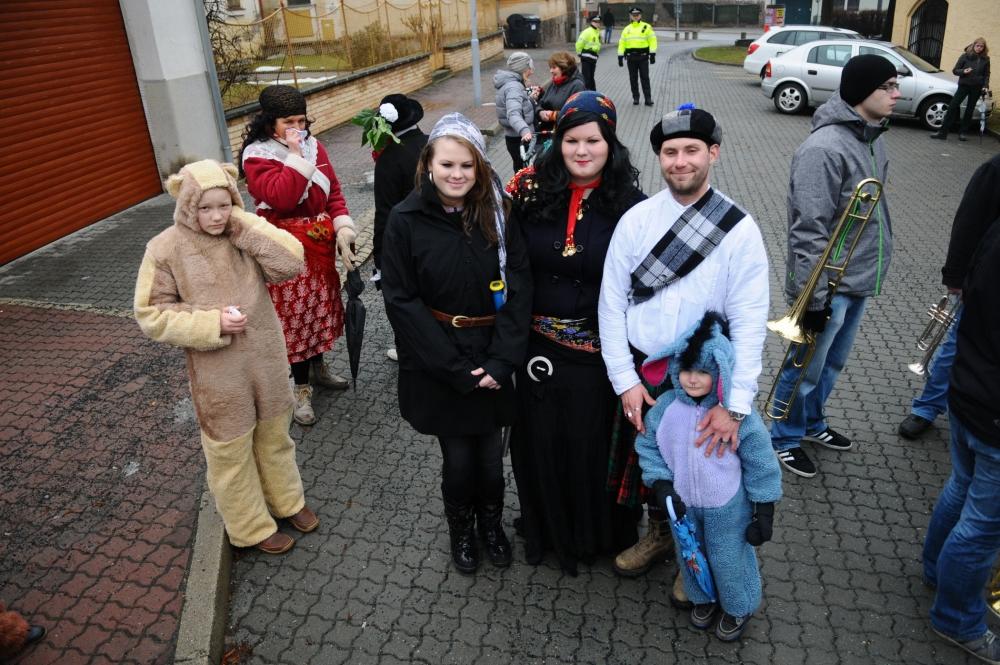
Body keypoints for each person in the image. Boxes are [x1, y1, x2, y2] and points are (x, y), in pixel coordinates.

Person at [599, 107, 769, 598]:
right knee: (652, 468)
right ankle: (661, 535)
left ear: (713, 153)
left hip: (702, 379)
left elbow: (750, 321)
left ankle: (696, 555)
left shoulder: (739, 229)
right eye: (670, 152)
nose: (680, 161)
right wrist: (625, 380)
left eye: (692, 150)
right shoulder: (636, 221)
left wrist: (735, 406)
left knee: (703, 471)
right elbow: (610, 304)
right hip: (646, 372)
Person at [134, 159, 318, 555]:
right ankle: (250, 527)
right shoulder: (165, 248)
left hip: (267, 359)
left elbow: (291, 263)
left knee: (275, 437)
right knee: (230, 452)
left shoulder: (242, 234)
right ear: (187, 206)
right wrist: (211, 323)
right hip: (217, 372)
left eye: (224, 205)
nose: (216, 216)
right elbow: (151, 314)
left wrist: (245, 224)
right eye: (205, 208)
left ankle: (287, 502)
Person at [381, 113, 532, 575]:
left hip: (492, 352)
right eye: (447, 164)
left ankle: (491, 525)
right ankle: (461, 530)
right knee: (459, 459)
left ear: (480, 166)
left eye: (467, 165)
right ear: (428, 163)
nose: (457, 174)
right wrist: (452, 367)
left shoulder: (499, 213)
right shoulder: (405, 220)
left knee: (491, 459)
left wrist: (503, 360)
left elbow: (520, 282)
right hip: (439, 358)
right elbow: (401, 300)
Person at [506, 91, 646, 576]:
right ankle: (547, 529)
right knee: (540, 444)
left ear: (610, 143)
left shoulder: (632, 206)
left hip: (599, 354)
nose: (582, 150)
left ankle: (593, 535)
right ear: (557, 142)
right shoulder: (529, 192)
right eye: (571, 140)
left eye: (593, 140)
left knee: (587, 446)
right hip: (536, 350)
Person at [769, 55, 899, 478]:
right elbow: (808, 230)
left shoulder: (873, 139)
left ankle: (811, 422)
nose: (897, 94)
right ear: (863, 92)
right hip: (828, 285)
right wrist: (813, 297)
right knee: (805, 367)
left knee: (832, 365)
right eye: (888, 86)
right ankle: (783, 436)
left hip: (858, 277)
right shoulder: (823, 149)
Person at [635, 313, 782, 641]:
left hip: (727, 507)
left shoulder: (737, 416)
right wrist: (661, 483)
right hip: (683, 506)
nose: (692, 379)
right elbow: (648, 446)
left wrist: (764, 510)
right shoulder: (665, 408)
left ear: (720, 371)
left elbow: (761, 462)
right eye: (686, 370)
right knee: (691, 557)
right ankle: (704, 597)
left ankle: (738, 605)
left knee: (728, 560)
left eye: (703, 371)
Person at [239, 84, 359, 426]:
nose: (298, 128)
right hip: (285, 250)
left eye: (301, 121)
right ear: (270, 123)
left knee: (320, 310)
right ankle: (300, 387)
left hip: (319, 243)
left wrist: (343, 226)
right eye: (288, 122)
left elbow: (333, 192)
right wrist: (294, 153)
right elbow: (283, 198)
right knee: (294, 320)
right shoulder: (257, 156)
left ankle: (318, 368)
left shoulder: (315, 145)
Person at [922, 213, 1000, 664]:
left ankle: (937, 571)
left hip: (970, 390)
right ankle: (956, 618)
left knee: (961, 486)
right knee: (983, 527)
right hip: (992, 407)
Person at [898, 154, 1000, 439]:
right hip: (985, 285)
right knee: (957, 345)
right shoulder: (995, 169)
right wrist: (955, 277)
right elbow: (968, 222)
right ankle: (926, 408)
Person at [371, 93, 429, 363]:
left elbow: (384, 212)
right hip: (437, 236)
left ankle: (408, 350)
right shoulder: (432, 144)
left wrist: (380, 257)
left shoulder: (390, 158)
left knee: (404, 298)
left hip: (405, 242)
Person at [930, 38, 990, 142]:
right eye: (978, 46)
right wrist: (963, 71)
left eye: (981, 46)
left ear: (984, 48)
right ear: (974, 45)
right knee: (952, 106)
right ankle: (942, 132)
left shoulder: (986, 59)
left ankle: (962, 132)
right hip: (964, 85)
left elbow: (986, 74)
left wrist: (985, 85)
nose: (979, 48)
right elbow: (955, 70)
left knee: (969, 110)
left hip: (977, 87)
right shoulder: (965, 56)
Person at [495, 52, 537, 173]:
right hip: (520, 139)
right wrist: (525, 131)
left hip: (514, 137)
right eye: (530, 67)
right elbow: (513, 113)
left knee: (520, 171)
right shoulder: (514, 87)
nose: (532, 71)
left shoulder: (511, 84)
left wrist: (528, 98)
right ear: (522, 69)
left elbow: (515, 105)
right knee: (525, 174)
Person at [535, 52, 586, 135]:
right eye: (550, 68)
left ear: (564, 68)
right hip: (549, 131)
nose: (551, 71)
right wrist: (540, 112)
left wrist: (554, 115)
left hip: (566, 133)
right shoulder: (554, 83)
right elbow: (542, 103)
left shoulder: (577, 85)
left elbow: (578, 113)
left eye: (554, 67)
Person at [617, 7, 657, 106]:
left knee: (645, 78)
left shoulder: (647, 27)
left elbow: (653, 41)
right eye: (633, 15)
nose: (635, 16)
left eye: (637, 15)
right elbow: (622, 43)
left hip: (643, 57)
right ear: (630, 16)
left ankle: (648, 98)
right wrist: (620, 56)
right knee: (633, 79)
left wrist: (652, 54)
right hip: (631, 58)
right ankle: (636, 98)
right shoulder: (626, 29)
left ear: (640, 15)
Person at [576, 15, 602, 91]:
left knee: (591, 77)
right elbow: (579, 43)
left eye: (598, 22)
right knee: (586, 78)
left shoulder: (597, 32)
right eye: (595, 22)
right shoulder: (587, 32)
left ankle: (592, 92)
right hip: (586, 57)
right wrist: (579, 53)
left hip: (593, 58)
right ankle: (586, 92)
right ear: (591, 22)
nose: (597, 23)